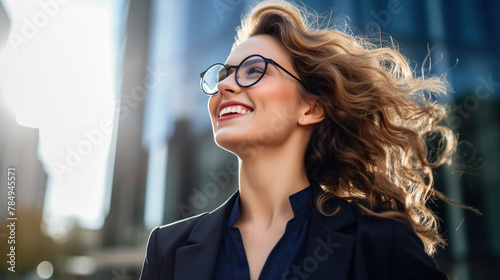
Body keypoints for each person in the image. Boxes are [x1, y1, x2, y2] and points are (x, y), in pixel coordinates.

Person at [140, 1, 455, 279]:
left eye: (253, 71)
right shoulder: (167, 247)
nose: (226, 86)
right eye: (223, 75)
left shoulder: (379, 241)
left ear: (311, 108)